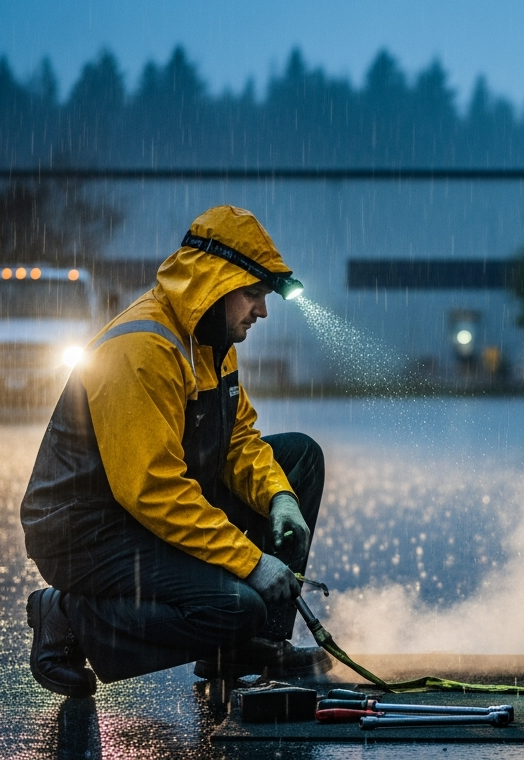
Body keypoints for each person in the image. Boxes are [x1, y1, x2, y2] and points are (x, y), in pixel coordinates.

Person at [19, 205, 330, 697]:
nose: (262, 311)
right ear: (213, 284)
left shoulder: (209, 341)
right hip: (88, 532)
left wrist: (279, 497)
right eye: (253, 295)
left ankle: (250, 645)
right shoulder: (143, 350)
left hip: (142, 513)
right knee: (235, 605)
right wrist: (250, 562)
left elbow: (238, 441)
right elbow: (154, 490)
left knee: (298, 459)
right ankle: (67, 617)